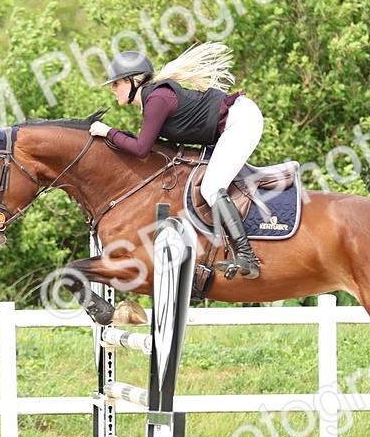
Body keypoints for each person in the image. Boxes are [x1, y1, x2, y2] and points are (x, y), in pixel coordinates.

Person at [90, 42, 262, 280]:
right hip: (231, 125)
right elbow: (148, 146)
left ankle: (247, 256)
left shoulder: (157, 99)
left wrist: (108, 132)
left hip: (241, 121)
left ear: (132, 82)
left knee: (212, 188)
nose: (113, 89)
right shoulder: (154, 98)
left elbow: (141, 149)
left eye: (116, 83)